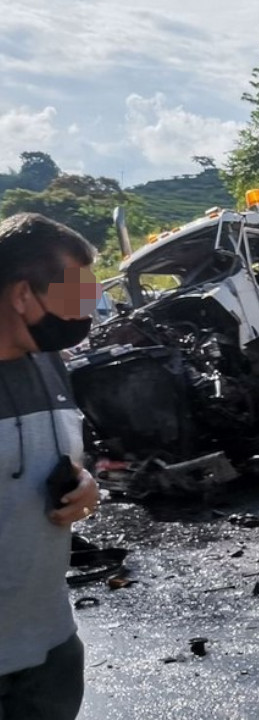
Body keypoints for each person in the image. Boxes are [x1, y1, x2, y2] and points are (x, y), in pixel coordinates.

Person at [0, 212, 102, 719]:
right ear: (22, 295)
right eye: (74, 299)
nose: (84, 317)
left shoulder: (49, 362)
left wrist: (86, 487)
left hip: (50, 647)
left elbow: (67, 462)